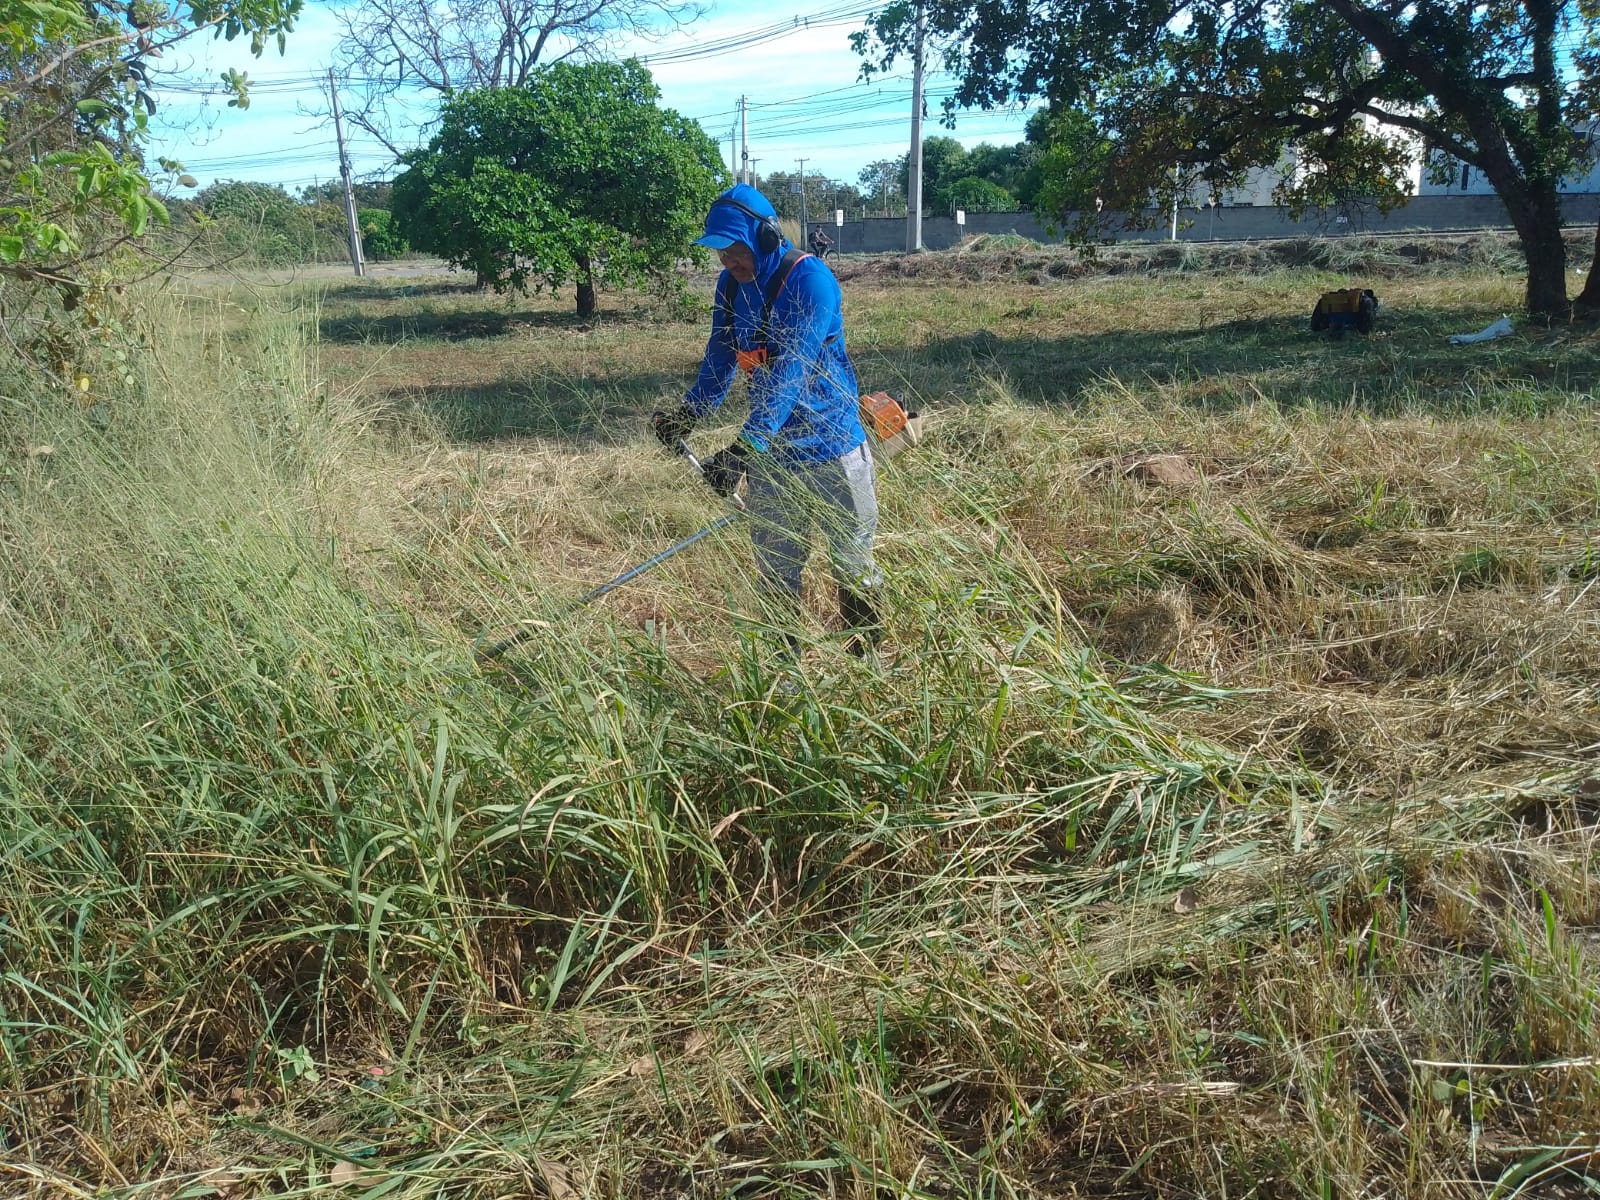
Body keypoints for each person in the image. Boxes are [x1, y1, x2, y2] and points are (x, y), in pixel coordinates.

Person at [652, 184, 880, 658]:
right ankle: (786, 678)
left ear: (767, 238)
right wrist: (688, 415)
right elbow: (721, 357)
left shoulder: (811, 280)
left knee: (852, 564)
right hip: (774, 460)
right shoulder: (731, 287)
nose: (728, 263)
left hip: (831, 448)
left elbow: (792, 368)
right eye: (720, 254)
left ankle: (869, 666)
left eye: (736, 252)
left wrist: (743, 449)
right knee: (776, 573)